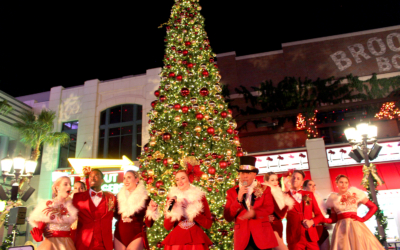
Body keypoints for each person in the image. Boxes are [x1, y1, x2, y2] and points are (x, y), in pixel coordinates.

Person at [224, 156, 278, 250]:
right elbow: (228, 216)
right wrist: (238, 200)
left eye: (248, 173)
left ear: (254, 174)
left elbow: (269, 208)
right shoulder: (231, 192)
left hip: (262, 237)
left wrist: (255, 213)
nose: (245, 176)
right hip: (243, 239)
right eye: (242, 173)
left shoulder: (264, 189)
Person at [162, 159, 213, 250]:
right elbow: (167, 227)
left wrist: (192, 212)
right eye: (177, 179)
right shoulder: (172, 197)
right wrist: (171, 210)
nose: (180, 182)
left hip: (196, 240)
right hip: (177, 241)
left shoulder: (200, 196)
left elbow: (208, 224)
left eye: (183, 178)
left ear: (189, 178)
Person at [325, 175, 384, 250]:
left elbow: (373, 207)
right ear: (336, 183)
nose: (344, 185)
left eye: (346, 182)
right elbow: (333, 219)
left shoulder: (355, 194)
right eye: (341, 182)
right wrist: (320, 220)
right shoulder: (333, 199)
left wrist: (363, 218)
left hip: (355, 225)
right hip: (341, 228)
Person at [29, 176, 78, 250]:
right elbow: (41, 224)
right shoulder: (47, 205)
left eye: (70, 184)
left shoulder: (72, 206)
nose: (69, 186)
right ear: (57, 188)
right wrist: (40, 232)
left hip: (67, 243)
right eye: (65, 184)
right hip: (51, 244)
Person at [114, 170, 159, 250]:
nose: (126, 180)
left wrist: (152, 211)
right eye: (124, 178)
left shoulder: (144, 198)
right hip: (119, 235)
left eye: (129, 177)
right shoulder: (119, 197)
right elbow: (116, 216)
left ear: (137, 179)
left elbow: (149, 224)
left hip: (136, 235)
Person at [73, 169, 116, 250]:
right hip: (83, 244)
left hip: (104, 244)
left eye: (96, 176)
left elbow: (119, 215)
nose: (93, 178)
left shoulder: (111, 198)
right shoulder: (77, 197)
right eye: (91, 176)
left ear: (102, 180)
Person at [285, 170, 324, 250]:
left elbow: (319, 215)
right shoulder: (284, 196)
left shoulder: (309, 195)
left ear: (302, 182)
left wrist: (312, 222)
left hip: (310, 237)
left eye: (298, 178)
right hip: (294, 238)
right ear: (290, 179)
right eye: (294, 177)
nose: (295, 179)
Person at [264, 172, 294, 250]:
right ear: (267, 181)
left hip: (277, 226)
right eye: (272, 180)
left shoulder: (277, 192)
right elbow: (280, 214)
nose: (275, 182)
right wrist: (287, 203)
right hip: (272, 226)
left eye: (276, 180)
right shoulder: (269, 193)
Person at [302, 180, 330, 250]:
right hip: (310, 229)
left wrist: (323, 221)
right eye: (310, 185)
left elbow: (322, 214)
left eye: (314, 185)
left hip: (321, 228)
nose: (313, 187)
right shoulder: (305, 198)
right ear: (305, 187)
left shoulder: (319, 198)